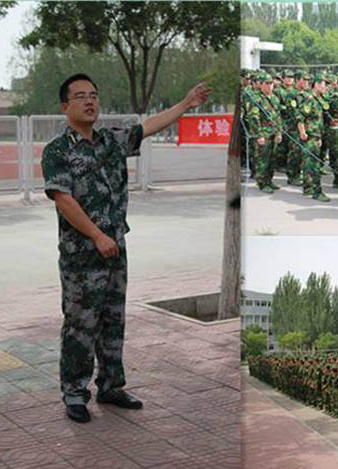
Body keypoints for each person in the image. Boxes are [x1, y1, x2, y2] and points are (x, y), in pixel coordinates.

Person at [42, 73, 211, 423]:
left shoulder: (110, 141)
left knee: (113, 320)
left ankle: (111, 386)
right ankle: (74, 392)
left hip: (115, 250)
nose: (90, 101)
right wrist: (97, 236)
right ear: (65, 106)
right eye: (80, 96)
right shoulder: (58, 150)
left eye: (93, 95)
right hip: (82, 256)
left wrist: (186, 104)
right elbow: (63, 199)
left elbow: (149, 126)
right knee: (80, 325)